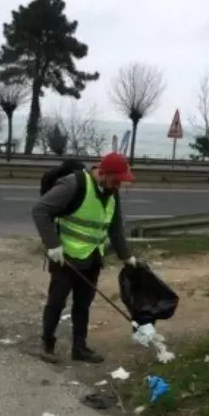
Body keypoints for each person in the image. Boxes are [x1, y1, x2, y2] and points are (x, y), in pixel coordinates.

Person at [31, 151, 140, 364]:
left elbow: (115, 228)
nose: (119, 185)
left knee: (83, 304)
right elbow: (40, 210)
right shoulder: (74, 184)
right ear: (104, 173)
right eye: (116, 180)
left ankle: (79, 348)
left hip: (92, 258)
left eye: (121, 182)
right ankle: (47, 343)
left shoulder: (111, 192)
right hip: (65, 257)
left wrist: (127, 257)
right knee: (57, 301)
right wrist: (53, 245)